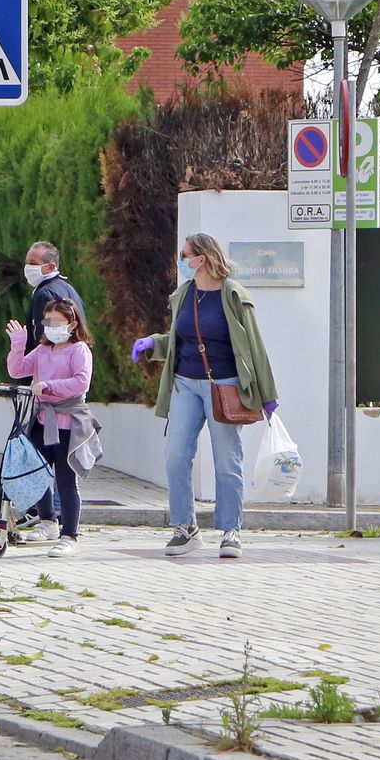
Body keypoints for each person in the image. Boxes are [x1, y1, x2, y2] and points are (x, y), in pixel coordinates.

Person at [131, 233, 278, 559]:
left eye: (185, 255)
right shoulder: (184, 294)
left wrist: (267, 395)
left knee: (227, 460)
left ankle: (231, 531)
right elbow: (181, 338)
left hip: (223, 386)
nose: (180, 261)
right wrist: (153, 344)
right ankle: (185, 529)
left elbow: (254, 346)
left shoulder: (234, 296)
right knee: (175, 456)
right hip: (185, 384)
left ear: (203, 258)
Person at [5, 299, 103, 557]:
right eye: (47, 322)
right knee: (37, 473)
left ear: (72, 324)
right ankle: (47, 521)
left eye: (57, 323)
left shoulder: (79, 350)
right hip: (41, 420)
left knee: (65, 481)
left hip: (68, 423)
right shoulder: (41, 351)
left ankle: (70, 534)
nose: (51, 328)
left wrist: (49, 386)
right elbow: (17, 370)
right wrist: (18, 343)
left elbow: (81, 382)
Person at [15, 240, 86, 541]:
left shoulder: (46, 293)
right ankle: (48, 518)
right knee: (45, 461)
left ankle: (56, 522)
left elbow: (40, 345)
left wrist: (40, 381)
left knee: (55, 469)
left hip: (54, 401)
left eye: (34, 261)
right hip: (51, 399)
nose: (28, 266)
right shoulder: (68, 290)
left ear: (50, 265)